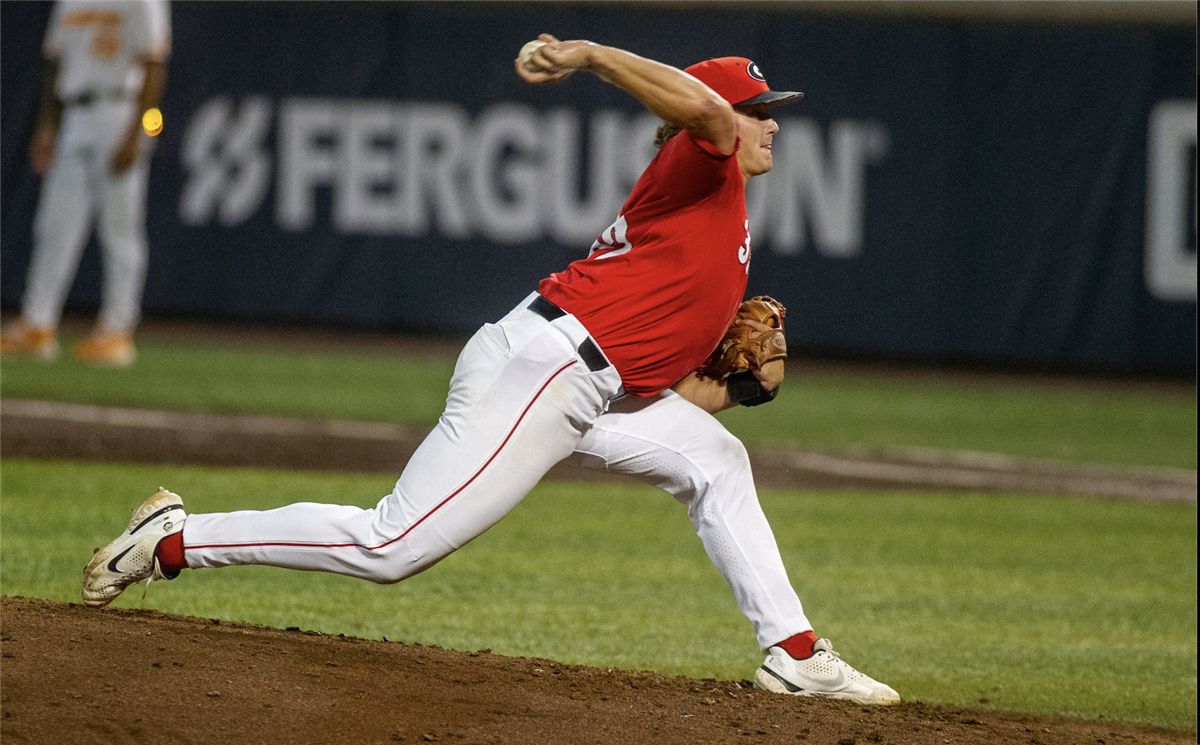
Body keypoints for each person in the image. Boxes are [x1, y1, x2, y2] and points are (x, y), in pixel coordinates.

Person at [81, 34, 901, 705]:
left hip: (592, 383)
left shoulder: (718, 213)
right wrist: (588, 54)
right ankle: (176, 539)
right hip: (547, 369)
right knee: (392, 543)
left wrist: (729, 390)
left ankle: (793, 650)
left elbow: (657, 388)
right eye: (763, 113)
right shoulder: (706, 157)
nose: (773, 127)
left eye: (772, 114)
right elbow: (704, 108)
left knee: (717, 462)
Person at [0, 0, 171, 366]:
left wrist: (136, 133)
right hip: (74, 113)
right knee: (54, 226)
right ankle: (38, 324)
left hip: (119, 110)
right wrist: (48, 123)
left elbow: (154, 63)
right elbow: (56, 61)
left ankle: (117, 329)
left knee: (120, 228)